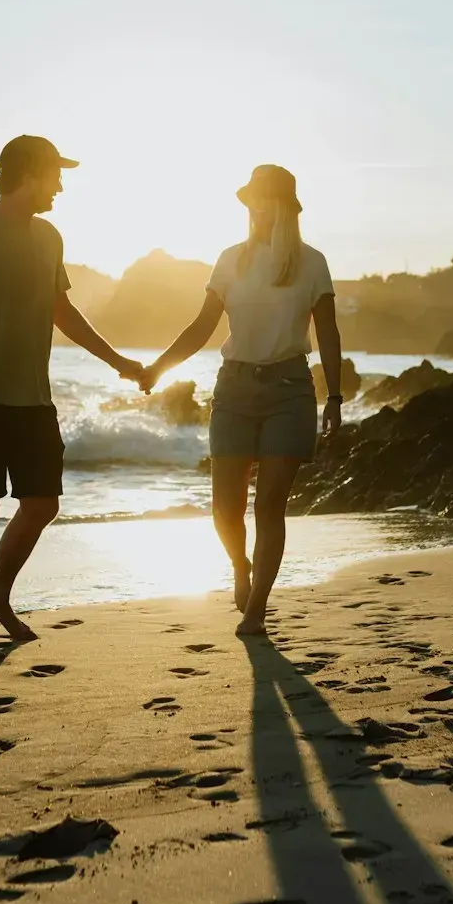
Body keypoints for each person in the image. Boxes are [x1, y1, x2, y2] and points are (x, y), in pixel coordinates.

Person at [0, 136, 146, 661]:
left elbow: (62, 312)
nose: (61, 185)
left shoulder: (50, 237)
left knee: (42, 502)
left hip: (32, 397)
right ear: (31, 173)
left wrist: (120, 362)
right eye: (55, 174)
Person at [142, 164, 342, 637]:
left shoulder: (313, 263)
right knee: (224, 510)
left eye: (266, 197)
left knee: (270, 505)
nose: (256, 205)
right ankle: (239, 562)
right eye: (252, 197)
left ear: (286, 206)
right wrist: (157, 367)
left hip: (290, 390)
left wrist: (333, 395)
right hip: (233, 389)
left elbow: (328, 332)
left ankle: (257, 610)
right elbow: (202, 326)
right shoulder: (231, 259)